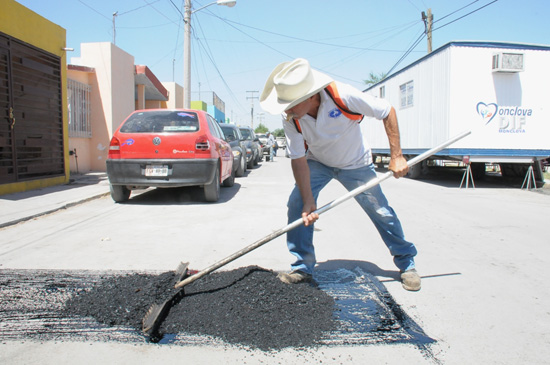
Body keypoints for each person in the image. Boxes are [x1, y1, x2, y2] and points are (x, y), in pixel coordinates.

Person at [259, 58, 420, 291]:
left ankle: (407, 263)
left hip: (356, 164)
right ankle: (302, 267)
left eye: (291, 104)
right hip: (318, 162)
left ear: (310, 96)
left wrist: (397, 155)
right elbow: (298, 159)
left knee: (381, 211)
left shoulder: (343, 95)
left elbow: (387, 111)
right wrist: (308, 201)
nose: (287, 110)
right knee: (297, 205)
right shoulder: (291, 118)